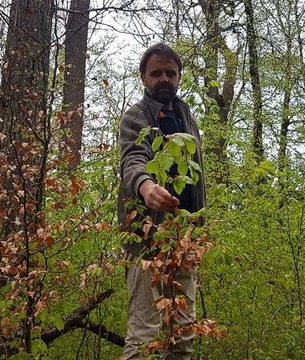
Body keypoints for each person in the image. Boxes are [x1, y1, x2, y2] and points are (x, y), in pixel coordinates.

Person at [117, 43, 206, 359]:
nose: (164, 79)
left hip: (184, 243)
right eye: (156, 73)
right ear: (143, 77)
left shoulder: (186, 117)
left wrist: (198, 234)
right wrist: (145, 186)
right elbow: (133, 158)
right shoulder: (135, 117)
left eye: (171, 73)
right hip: (145, 242)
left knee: (182, 336)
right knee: (144, 337)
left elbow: (196, 181)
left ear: (180, 76)